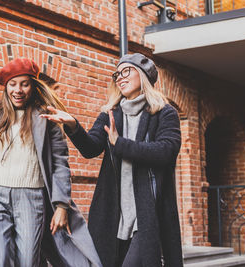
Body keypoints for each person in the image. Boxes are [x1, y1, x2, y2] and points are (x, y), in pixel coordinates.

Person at [0, 58, 102, 267]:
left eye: (24, 84)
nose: (18, 90)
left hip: (31, 197)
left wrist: (61, 206)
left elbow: (60, 164)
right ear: (6, 87)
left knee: (28, 261)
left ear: (33, 86)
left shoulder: (46, 119)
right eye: (13, 84)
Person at [41, 53, 183, 267]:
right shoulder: (110, 113)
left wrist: (120, 143)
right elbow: (90, 148)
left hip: (147, 212)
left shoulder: (164, 113)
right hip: (114, 212)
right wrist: (72, 125)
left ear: (143, 75)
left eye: (126, 71)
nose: (120, 77)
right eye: (117, 74)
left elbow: (166, 151)